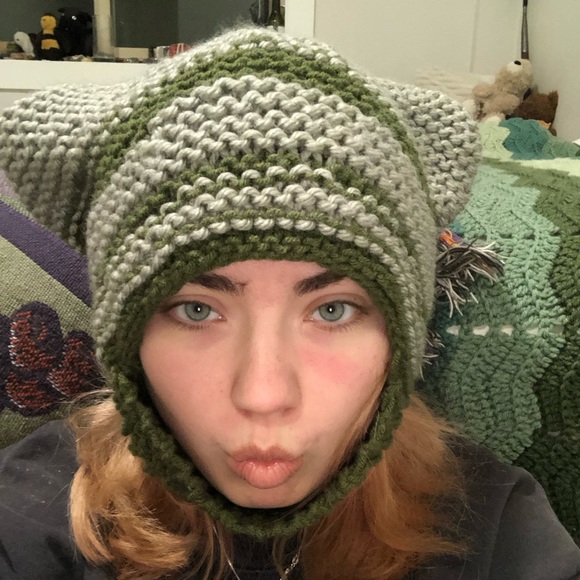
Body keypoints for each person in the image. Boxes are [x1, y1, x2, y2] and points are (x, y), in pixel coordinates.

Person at [0, 26, 579, 580]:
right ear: (127, 340)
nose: (264, 396)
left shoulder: (496, 530)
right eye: (196, 310)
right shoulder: (35, 510)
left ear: (400, 339)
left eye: (333, 310)